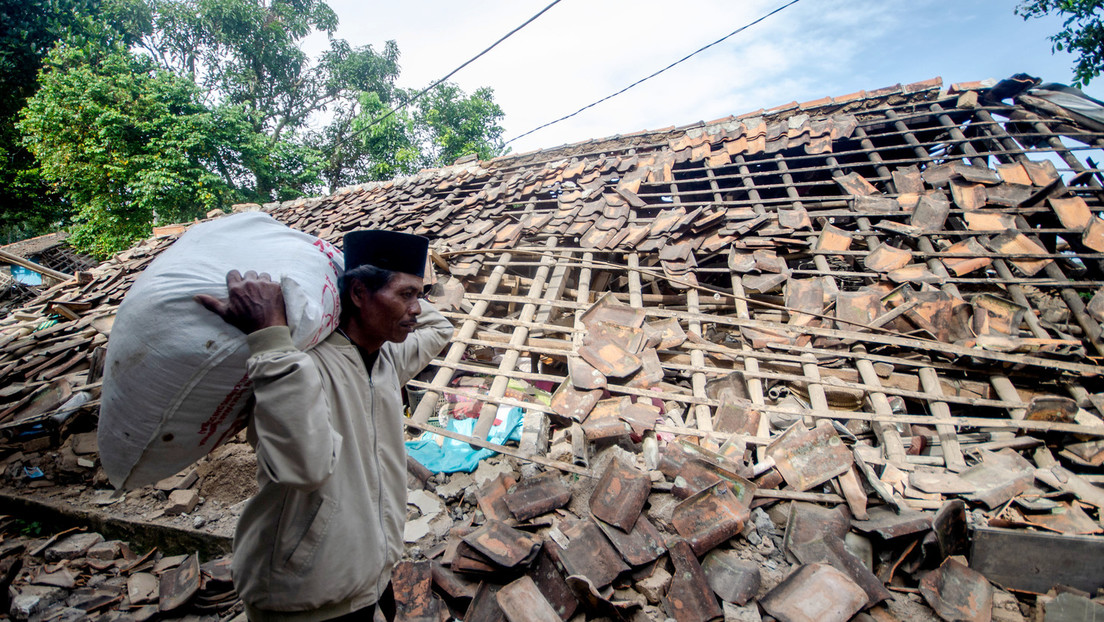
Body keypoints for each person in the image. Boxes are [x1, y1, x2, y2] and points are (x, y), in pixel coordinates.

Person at [195, 230, 454, 621]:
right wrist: (269, 340)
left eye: (420, 295)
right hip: (304, 596)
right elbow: (306, 466)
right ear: (358, 295)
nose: (418, 309)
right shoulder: (300, 365)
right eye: (406, 295)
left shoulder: (385, 361)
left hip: (368, 581)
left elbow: (441, 329)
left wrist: (377, 279)